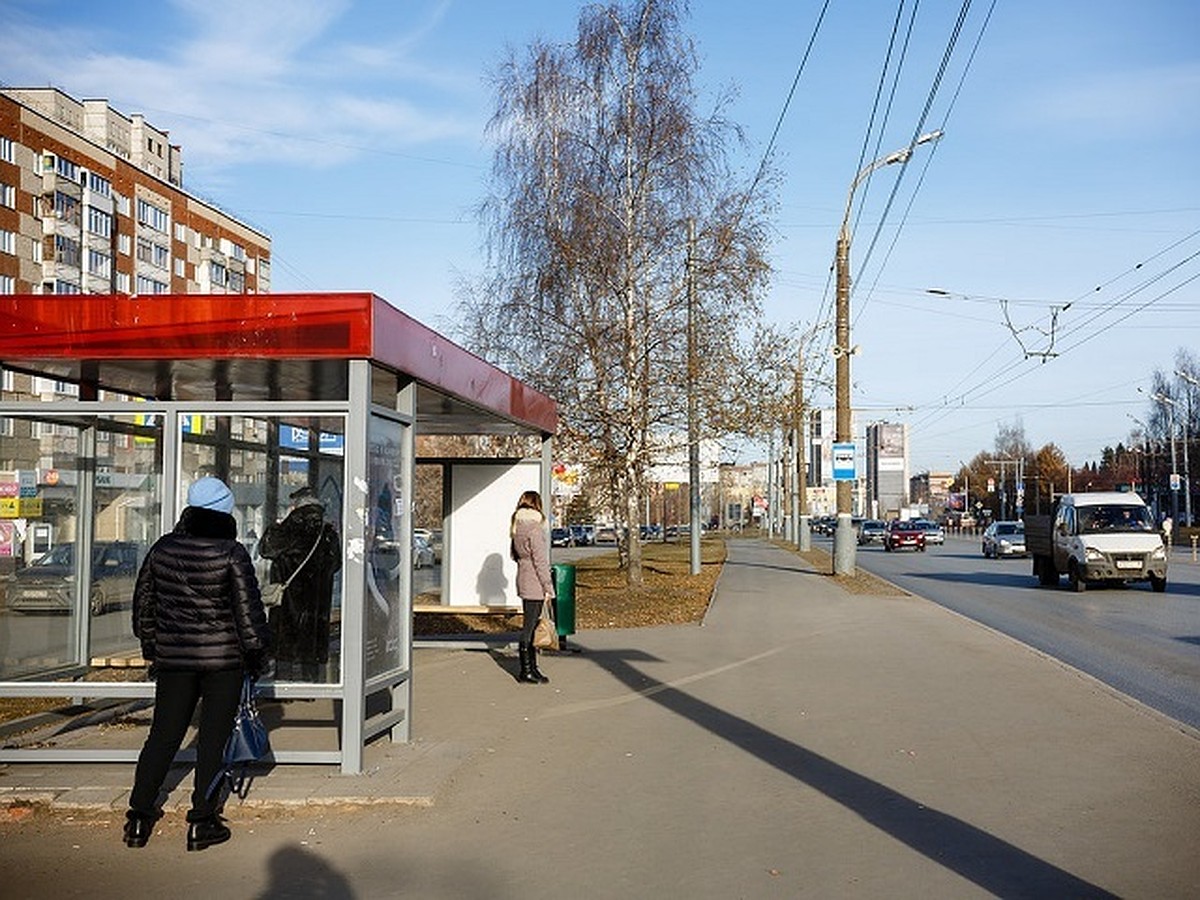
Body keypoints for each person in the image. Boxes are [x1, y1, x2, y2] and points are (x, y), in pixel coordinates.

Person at [125, 476, 270, 851]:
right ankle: (201, 822)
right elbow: (248, 614)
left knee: (163, 736)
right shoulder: (231, 552)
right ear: (225, 510)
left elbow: (143, 608)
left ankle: (138, 818)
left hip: (174, 661)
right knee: (213, 739)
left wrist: (154, 648)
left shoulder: (162, 548)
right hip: (224, 662)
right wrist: (256, 655)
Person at [259, 486, 342, 682]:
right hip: (318, 602)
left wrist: (278, 525)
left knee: (286, 640)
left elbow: (266, 549)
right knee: (312, 640)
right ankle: (312, 682)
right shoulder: (328, 531)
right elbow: (336, 564)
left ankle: (284, 685)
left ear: (295, 506)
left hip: (288, 599)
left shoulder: (290, 526)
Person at [510, 490, 555, 684]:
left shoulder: (516, 527)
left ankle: (532, 668)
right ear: (537, 505)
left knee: (531, 623)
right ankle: (526, 671)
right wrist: (548, 586)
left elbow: (514, 555)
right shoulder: (535, 529)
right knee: (529, 626)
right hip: (535, 580)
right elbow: (540, 561)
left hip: (523, 576)